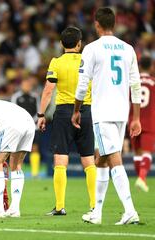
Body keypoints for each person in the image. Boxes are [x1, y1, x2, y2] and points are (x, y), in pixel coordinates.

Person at [71, 7, 142, 225]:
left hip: (103, 112)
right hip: (122, 112)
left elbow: (83, 84)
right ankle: (97, 212)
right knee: (100, 158)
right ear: (115, 23)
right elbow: (136, 84)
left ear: (97, 24)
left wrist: (76, 110)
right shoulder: (128, 48)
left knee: (112, 157)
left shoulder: (92, 49)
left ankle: (130, 210)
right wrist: (136, 117)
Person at [37, 27, 96, 216]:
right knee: (88, 159)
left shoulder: (56, 62)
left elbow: (48, 90)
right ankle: (95, 205)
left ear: (61, 44)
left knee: (60, 159)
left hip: (63, 113)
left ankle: (60, 206)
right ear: (80, 44)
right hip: (85, 110)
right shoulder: (88, 61)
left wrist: (41, 114)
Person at [129, 55, 155, 192]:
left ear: (139, 66)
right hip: (150, 121)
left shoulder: (133, 81)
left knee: (137, 152)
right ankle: (142, 178)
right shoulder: (153, 82)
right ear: (151, 67)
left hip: (133, 119)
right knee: (147, 152)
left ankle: (140, 178)